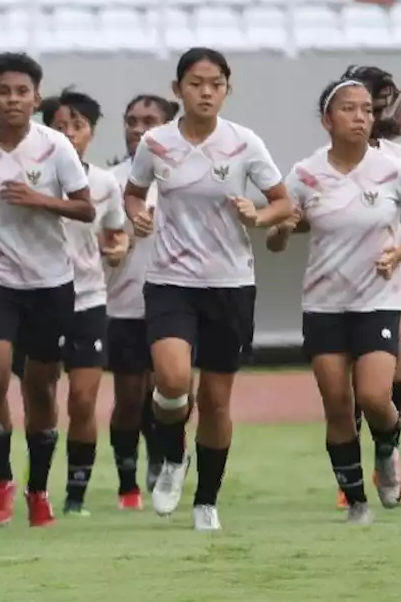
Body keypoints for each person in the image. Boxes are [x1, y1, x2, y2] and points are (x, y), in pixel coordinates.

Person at [123, 47, 293, 531]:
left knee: (216, 401)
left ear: (226, 89)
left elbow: (282, 203)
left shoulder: (244, 143)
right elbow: (134, 193)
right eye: (196, 83)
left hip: (230, 284)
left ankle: (206, 501)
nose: (206, 91)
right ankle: (172, 456)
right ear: (177, 90)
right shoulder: (155, 143)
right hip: (171, 281)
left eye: (216, 83)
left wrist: (256, 216)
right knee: (173, 381)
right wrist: (138, 215)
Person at [266, 77, 401, 524]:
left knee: (376, 396)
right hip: (324, 304)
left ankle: (385, 451)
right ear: (327, 119)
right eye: (349, 109)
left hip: (379, 298)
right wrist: (280, 229)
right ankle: (356, 501)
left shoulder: (393, 170)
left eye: (366, 110)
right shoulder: (304, 173)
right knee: (338, 404)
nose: (360, 117)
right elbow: (279, 236)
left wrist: (399, 252)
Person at [0, 53, 93, 528]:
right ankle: (3, 480)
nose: (13, 99)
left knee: (43, 389)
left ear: (35, 97)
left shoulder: (56, 148)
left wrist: (41, 200)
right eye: (4, 92)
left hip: (49, 281)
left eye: (22, 92)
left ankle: (38, 489)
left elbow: (85, 209)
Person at [44, 90, 128, 516]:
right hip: (39, 300)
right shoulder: (30, 180)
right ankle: (33, 486)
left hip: (89, 300)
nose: (68, 134)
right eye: (59, 126)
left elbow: (115, 235)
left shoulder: (105, 184)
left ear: (91, 132)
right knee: (41, 400)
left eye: (76, 126)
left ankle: (76, 495)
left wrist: (117, 249)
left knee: (82, 399)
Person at [338, 64, 401, 508]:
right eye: (359, 103)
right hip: (340, 284)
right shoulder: (322, 162)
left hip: (394, 279)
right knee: (347, 380)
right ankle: (347, 476)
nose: (368, 112)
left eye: (375, 103)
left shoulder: (399, 160)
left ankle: (389, 454)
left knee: (390, 376)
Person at [105, 94, 178, 509]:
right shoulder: (111, 181)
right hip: (125, 302)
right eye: (131, 120)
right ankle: (126, 478)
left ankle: (164, 461)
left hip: (177, 300)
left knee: (170, 390)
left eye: (148, 120)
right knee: (131, 395)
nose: (137, 128)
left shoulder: (181, 178)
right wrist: (115, 248)